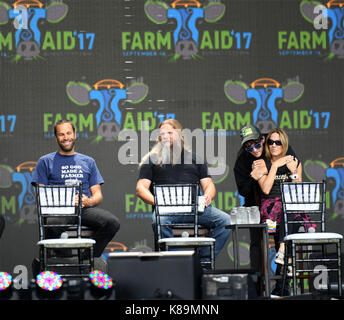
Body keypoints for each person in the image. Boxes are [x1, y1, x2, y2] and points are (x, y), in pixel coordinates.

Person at [136, 119, 231, 263]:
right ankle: (175, 263)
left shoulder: (195, 159)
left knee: (225, 220)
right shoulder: (152, 160)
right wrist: (158, 203)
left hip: (195, 209)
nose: (165, 136)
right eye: (162, 134)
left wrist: (207, 196)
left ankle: (203, 261)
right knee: (158, 221)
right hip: (167, 211)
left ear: (180, 135)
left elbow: (209, 185)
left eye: (169, 132)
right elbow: (140, 188)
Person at [31, 119, 120, 258]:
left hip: (83, 210)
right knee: (51, 224)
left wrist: (87, 202)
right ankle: (67, 259)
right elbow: (39, 196)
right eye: (61, 134)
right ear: (56, 137)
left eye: (68, 133)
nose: (66, 138)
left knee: (112, 223)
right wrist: (62, 201)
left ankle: (85, 258)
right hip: (58, 212)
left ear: (75, 134)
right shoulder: (45, 161)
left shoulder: (88, 161)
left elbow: (98, 196)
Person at [234, 124, 298, 296]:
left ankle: (282, 287)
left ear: (263, 139)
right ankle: (257, 290)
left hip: (284, 203)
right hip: (258, 204)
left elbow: (295, 173)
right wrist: (253, 177)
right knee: (257, 245)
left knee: (284, 240)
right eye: (249, 146)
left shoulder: (275, 143)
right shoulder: (242, 161)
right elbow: (244, 191)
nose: (254, 149)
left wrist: (274, 166)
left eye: (257, 144)